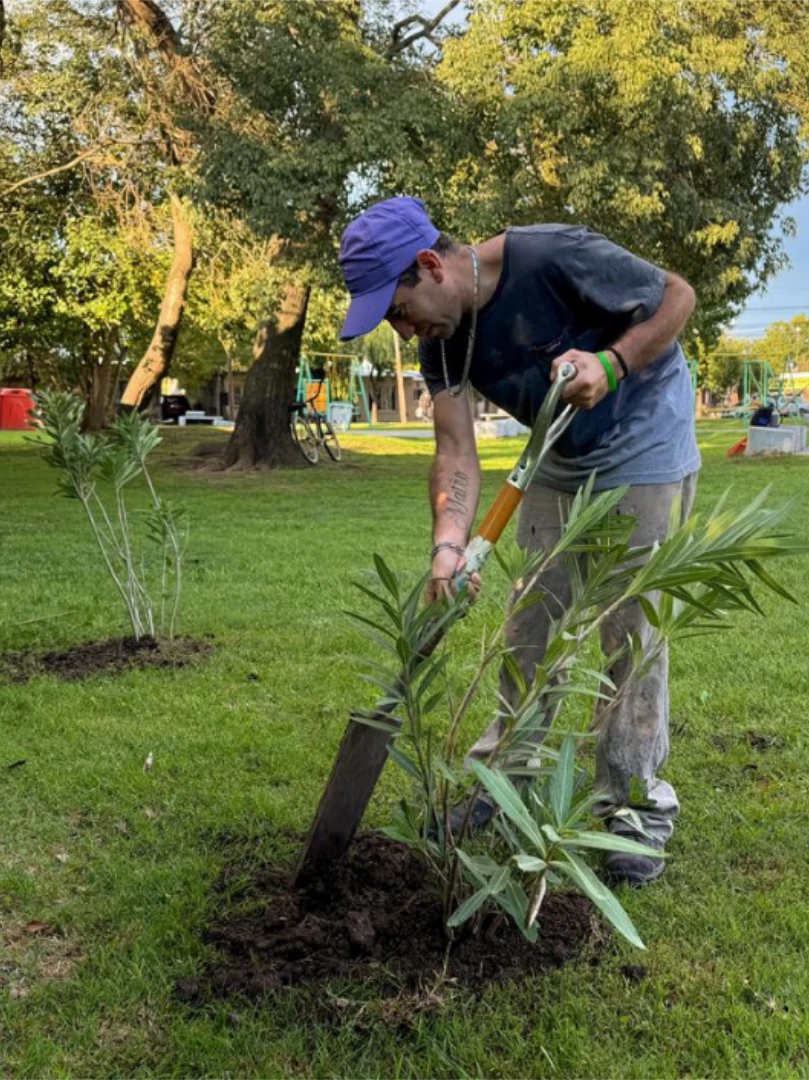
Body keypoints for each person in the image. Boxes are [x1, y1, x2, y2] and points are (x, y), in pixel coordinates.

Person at [337, 197, 699, 886]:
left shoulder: (553, 254)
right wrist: (449, 543)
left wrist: (613, 363)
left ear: (430, 264)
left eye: (397, 309)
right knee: (532, 623)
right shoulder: (440, 338)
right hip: (557, 456)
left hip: (644, 439)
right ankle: (504, 780)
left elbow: (679, 296)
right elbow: (454, 453)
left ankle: (632, 803)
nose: (402, 327)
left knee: (633, 630)